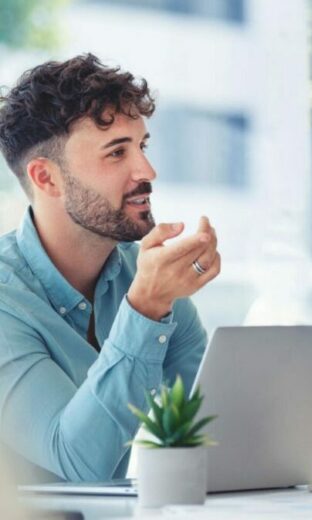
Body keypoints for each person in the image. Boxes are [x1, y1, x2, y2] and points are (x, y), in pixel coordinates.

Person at [0, 54, 220, 482]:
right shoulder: (7, 299)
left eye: (142, 146)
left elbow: (214, 428)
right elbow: (78, 461)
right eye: (117, 152)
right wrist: (145, 310)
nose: (147, 171)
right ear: (46, 179)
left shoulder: (142, 277)